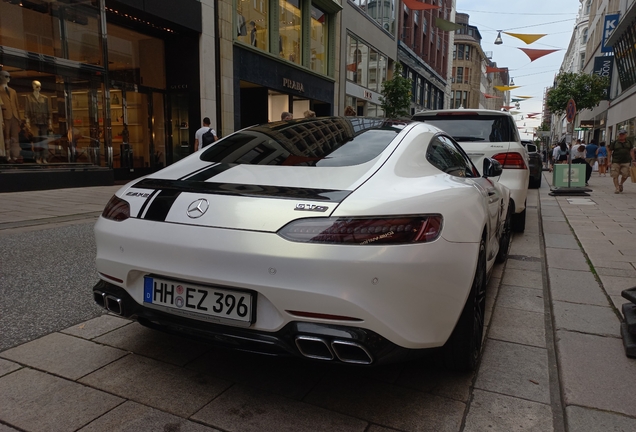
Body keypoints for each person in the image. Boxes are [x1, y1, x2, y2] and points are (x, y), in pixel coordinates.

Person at [25, 80, 52, 164]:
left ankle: (44, 157)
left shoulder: (45, 98)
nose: (39, 88)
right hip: (34, 122)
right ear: (33, 86)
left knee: (44, 140)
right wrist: (27, 123)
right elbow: (27, 111)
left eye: (40, 86)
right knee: (36, 140)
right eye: (37, 86)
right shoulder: (28, 97)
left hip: (43, 121)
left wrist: (50, 123)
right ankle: (37, 157)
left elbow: (49, 111)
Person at [0, 70, 23, 163]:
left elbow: (16, 105)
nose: (8, 78)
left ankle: (15, 156)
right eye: (6, 76)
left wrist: (19, 117)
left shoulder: (13, 91)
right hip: (5, 116)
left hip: (14, 116)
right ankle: (7, 156)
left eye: (9, 77)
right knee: (6, 137)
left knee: (15, 137)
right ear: (0, 77)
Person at [608, 128, 636, 194]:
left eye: (623, 134)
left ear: (626, 135)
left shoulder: (629, 142)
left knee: (625, 174)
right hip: (615, 161)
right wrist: (609, 161)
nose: (621, 136)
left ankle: (621, 183)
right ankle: (617, 188)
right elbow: (610, 151)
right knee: (615, 175)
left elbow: (631, 151)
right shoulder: (614, 142)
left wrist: (633, 160)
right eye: (620, 134)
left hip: (626, 161)